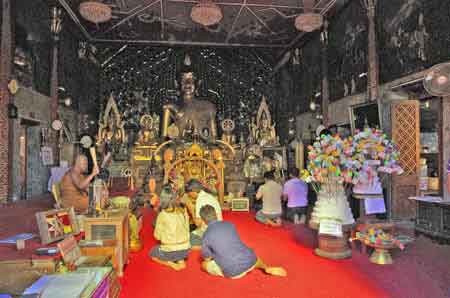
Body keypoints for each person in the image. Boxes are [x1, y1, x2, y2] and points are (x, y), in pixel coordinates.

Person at [200, 205, 287, 279]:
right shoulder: (229, 224)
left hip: (233, 272)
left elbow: (207, 258)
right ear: (216, 214)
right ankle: (266, 267)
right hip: (251, 261)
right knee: (248, 252)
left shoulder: (206, 236)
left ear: (203, 220)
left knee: (204, 264)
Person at [150, 185, 190, 271]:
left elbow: (157, 236)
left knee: (153, 253)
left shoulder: (162, 215)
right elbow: (187, 228)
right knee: (177, 247)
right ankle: (180, 259)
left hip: (170, 250)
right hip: (185, 250)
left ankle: (171, 263)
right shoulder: (182, 211)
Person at [184, 179, 222, 247]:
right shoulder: (207, 195)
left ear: (193, 191)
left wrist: (191, 209)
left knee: (186, 239)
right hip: (218, 229)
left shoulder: (200, 200)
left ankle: (210, 245)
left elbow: (198, 224)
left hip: (211, 233)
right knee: (192, 232)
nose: (189, 196)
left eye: (188, 193)